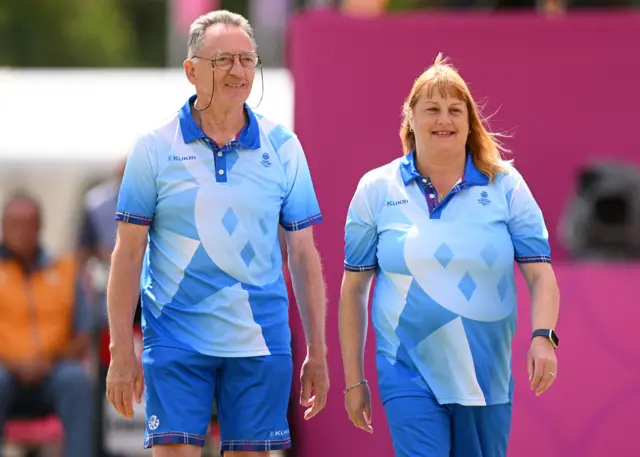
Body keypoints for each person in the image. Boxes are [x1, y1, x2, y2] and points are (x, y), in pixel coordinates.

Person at [105, 9, 329, 457]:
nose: (238, 70)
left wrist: (318, 351)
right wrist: (120, 351)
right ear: (191, 71)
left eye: (248, 60)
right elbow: (127, 255)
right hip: (175, 337)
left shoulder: (284, 146)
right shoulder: (153, 148)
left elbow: (303, 255)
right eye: (224, 59)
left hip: (259, 339)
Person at [338, 54, 561, 457]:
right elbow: (354, 289)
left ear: (469, 121)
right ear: (410, 117)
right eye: (432, 109)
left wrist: (543, 337)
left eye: (455, 110)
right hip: (405, 371)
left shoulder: (506, 186)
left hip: (485, 379)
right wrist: (355, 379)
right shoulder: (375, 189)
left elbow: (541, 276)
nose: (445, 119)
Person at [0, 192, 94, 457]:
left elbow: (83, 333)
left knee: (77, 380)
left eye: (28, 224)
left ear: (40, 227)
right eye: (14, 224)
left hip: (54, 369)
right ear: (3, 227)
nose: (22, 232)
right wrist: (14, 364)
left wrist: (48, 362)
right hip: (5, 369)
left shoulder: (65, 268)